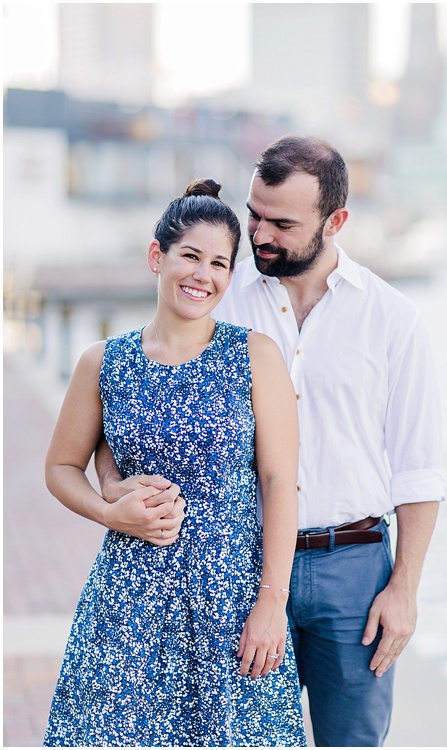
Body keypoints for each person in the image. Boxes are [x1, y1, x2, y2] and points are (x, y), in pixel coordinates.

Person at [98, 136, 446, 746]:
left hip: (355, 570)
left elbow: (418, 468)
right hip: (237, 568)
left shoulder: (392, 319)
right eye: (255, 213)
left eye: (281, 223)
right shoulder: (219, 293)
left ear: (335, 221)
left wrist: (404, 589)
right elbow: (128, 390)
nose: (258, 234)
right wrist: (112, 483)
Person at [43, 179, 306, 746]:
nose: (202, 275)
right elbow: (61, 468)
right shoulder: (103, 362)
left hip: (230, 600)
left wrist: (271, 602)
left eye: (219, 263)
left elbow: (281, 483)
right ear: (156, 257)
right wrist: (110, 511)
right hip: (128, 602)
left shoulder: (255, 355)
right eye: (190, 255)